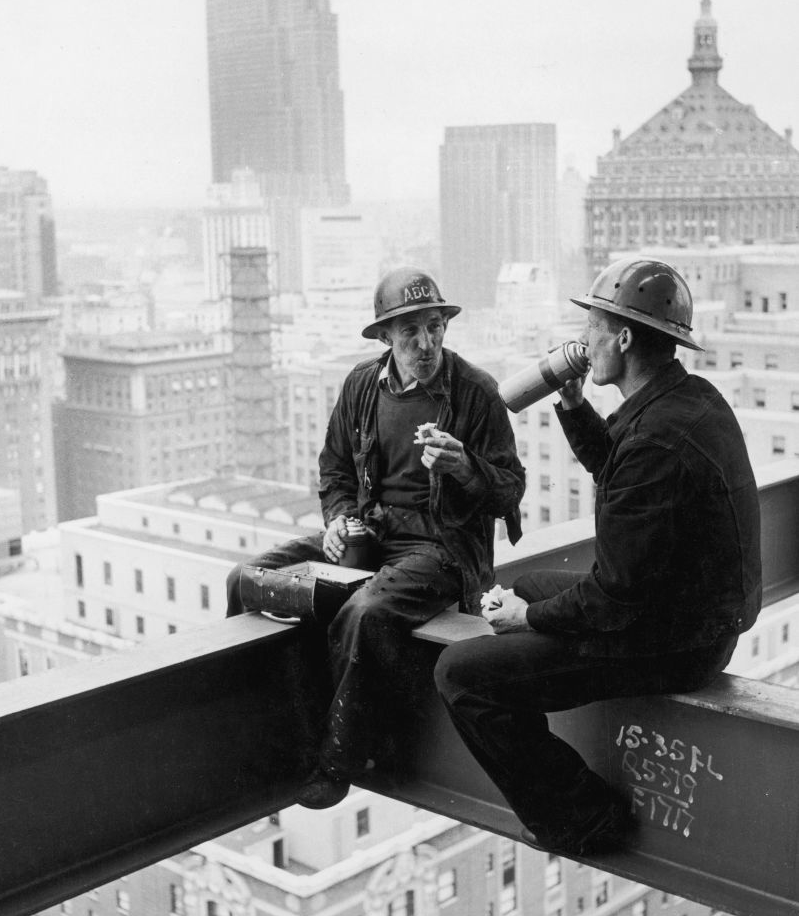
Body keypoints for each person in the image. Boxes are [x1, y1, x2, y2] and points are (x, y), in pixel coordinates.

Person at [434, 257, 762, 857]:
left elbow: (613, 597)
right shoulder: (686, 401)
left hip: (675, 643)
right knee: (532, 582)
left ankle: (582, 821)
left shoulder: (657, 441)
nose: (584, 341)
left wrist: (524, 621)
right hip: (686, 613)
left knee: (462, 676)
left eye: (595, 328)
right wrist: (571, 404)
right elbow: (623, 471)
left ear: (625, 337)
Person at [226, 266, 525, 809]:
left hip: (441, 548)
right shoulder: (362, 386)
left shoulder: (477, 394)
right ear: (386, 337)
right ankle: (256, 733)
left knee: (367, 613)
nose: (426, 343)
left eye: (434, 327)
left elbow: (509, 491)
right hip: (371, 532)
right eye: (410, 331)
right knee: (249, 579)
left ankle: (339, 759)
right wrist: (338, 521)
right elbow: (336, 470)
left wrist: (464, 467)